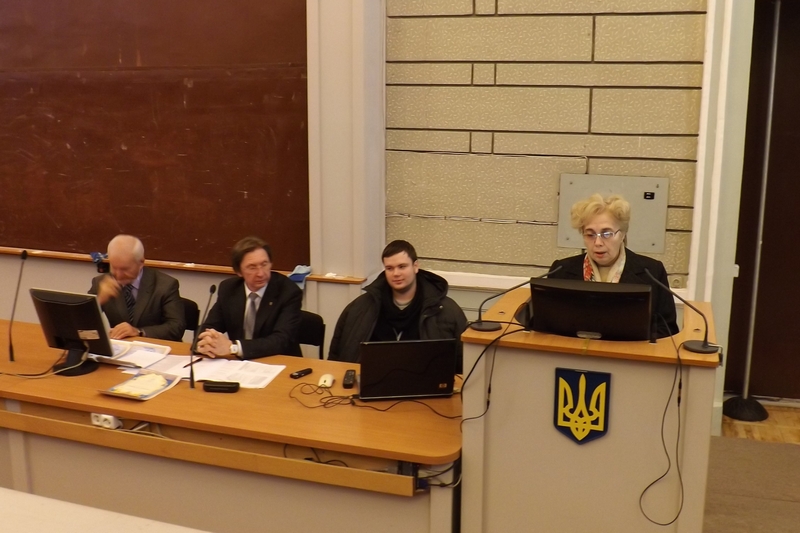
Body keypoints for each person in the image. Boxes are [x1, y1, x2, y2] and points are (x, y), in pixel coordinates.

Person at [548, 193, 679, 338]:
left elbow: (667, 330)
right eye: (590, 235)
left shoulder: (652, 272)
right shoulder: (561, 271)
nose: (598, 243)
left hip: (628, 352)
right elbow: (543, 324)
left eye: (606, 234)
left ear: (622, 234)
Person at [329, 240, 468, 371]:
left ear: (415, 266)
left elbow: (464, 362)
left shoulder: (447, 311)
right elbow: (336, 355)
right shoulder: (360, 307)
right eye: (389, 268)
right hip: (372, 381)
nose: (396, 273)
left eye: (402, 267)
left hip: (425, 384)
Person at [196, 236, 302, 360]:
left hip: (279, 361)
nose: (261, 273)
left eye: (264, 264)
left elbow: (280, 340)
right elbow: (208, 327)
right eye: (252, 267)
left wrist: (233, 347)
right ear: (239, 272)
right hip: (238, 364)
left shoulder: (288, 291)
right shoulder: (229, 289)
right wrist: (205, 342)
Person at [89, 235, 185, 341]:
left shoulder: (166, 285)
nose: (118, 275)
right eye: (114, 268)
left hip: (154, 347)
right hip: (120, 347)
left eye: (125, 269)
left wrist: (139, 331)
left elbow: (177, 327)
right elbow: (79, 322)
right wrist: (99, 300)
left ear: (141, 263)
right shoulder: (101, 283)